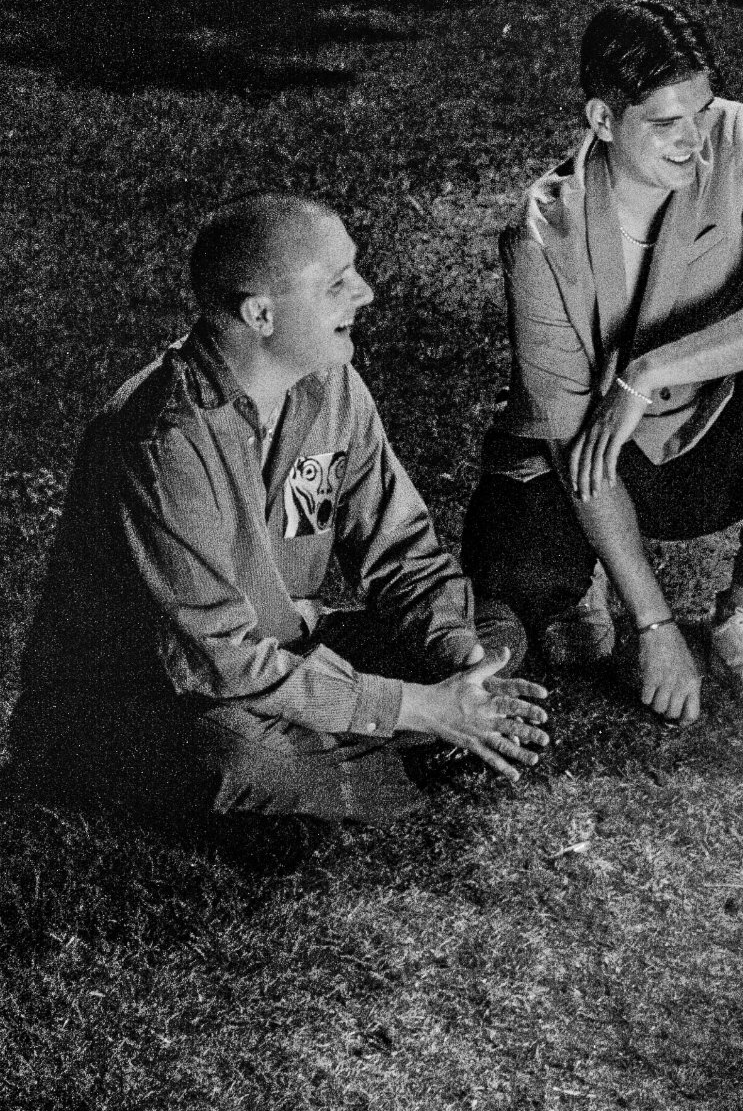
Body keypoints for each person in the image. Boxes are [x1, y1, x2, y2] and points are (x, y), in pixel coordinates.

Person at [5, 195, 549, 827]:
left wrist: (462, 660)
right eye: (336, 283)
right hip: (160, 694)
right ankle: (403, 754)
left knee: (494, 632)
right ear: (260, 314)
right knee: (251, 760)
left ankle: (399, 740)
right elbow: (218, 658)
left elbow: (404, 555)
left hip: (283, 651)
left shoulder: (331, 383)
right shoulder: (162, 441)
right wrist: (422, 707)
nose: (366, 293)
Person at [462, 0, 743, 728]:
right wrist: (654, 626)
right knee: (515, 587)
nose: (695, 142)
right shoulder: (539, 238)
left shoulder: (737, 137)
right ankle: (582, 582)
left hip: (702, 440)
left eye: (700, 113)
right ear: (603, 119)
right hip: (586, 459)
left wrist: (645, 374)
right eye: (666, 123)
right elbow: (573, 443)